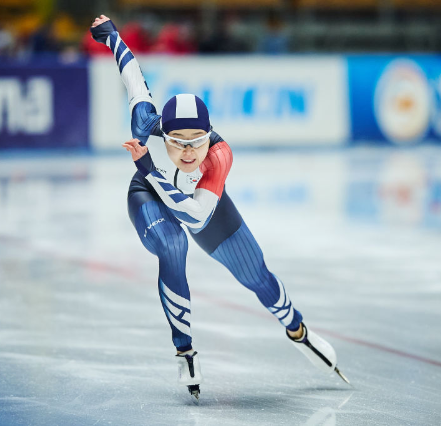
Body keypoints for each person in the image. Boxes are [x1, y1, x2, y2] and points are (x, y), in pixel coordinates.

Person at [90, 15, 349, 400]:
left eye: (198, 141)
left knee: (258, 275)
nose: (189, 151)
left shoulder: (219, 157)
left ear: (209, 136)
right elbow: (131, 72)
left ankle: (299, 331)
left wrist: (149, 164)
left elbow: (196, 215)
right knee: (173, 245)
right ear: (164, 131)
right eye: (178, 141)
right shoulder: (147, 120)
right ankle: (185, 351)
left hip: (200, 204)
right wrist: (111, 34)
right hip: (149, 194)